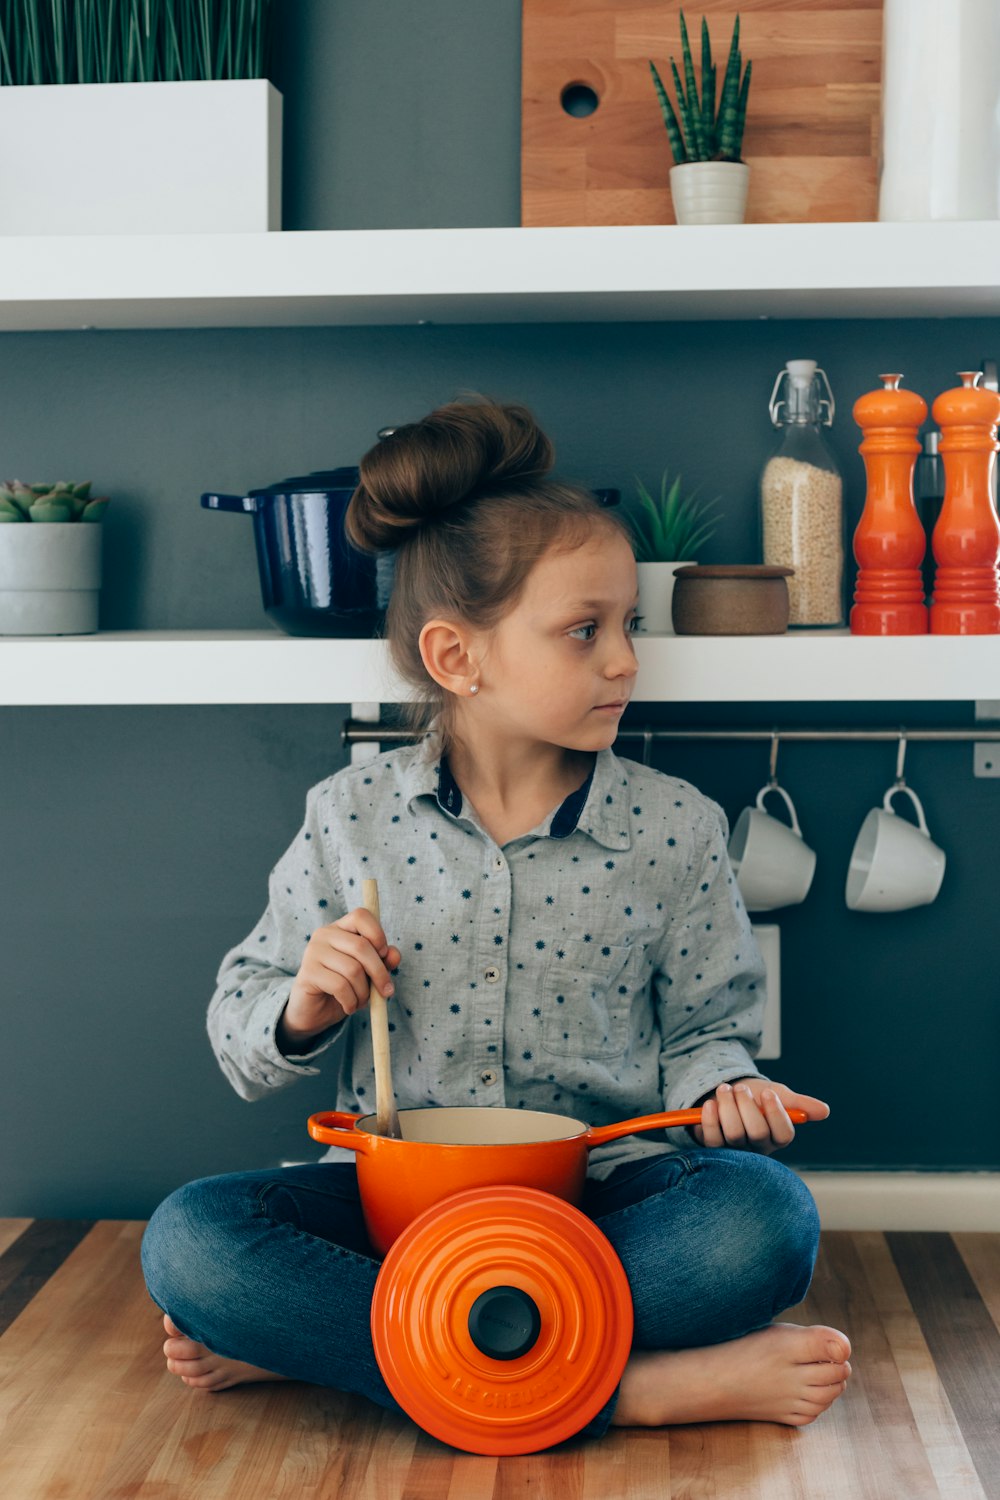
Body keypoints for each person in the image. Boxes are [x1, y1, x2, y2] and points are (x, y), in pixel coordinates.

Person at [141, 397, 851, 1438]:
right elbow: (241, 1032)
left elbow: (707, 1034)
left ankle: (355, 1354)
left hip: (597, 1206)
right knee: (189, 1240)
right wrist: (305, 1005)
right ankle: (623, 1388)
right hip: (397, 1217)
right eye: (583, 632)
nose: (625, 660)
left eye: (628, 626)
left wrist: (730, 1089)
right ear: (455, 658)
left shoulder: (677, 828)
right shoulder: (350, 818)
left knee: (763, 1225)